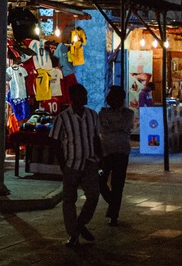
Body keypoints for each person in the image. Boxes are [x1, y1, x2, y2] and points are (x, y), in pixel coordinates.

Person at [50, 83, 102, 247]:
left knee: (93, 195)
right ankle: (73, 233)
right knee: (69, 200)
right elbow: (56, 142)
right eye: (82, 94)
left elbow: (95, 138)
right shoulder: (63, 118)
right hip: (72, 163)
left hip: (89, 162)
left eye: (85, 94)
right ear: (74, 97)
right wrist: (63, 165)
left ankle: (81, 222)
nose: (86, 97)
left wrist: (99, 157)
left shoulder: (92, 115)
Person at [98, 85, 134, 227]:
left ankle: (114, 214)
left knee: (117, 184)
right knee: (100, 182)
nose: (109, 98)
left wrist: (111, 125)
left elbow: (123, 126)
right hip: (105, 151)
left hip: (121, 152)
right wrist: (114, 126)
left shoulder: (128, 113)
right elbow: (103, 127)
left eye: (112, 96)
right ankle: (113, 203)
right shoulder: (102, 112)